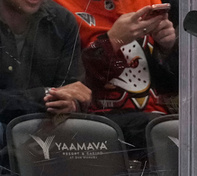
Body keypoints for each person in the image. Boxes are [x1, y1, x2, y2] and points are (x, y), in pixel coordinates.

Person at [58, 0, 177, 160]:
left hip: (156, 121)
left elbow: (172, 82)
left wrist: (166, 47)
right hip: (98, 125)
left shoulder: (147, 2)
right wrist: (113, 41)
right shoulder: (60, 8)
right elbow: (70, 84)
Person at [0, 0, 91, 135]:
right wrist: (45, 95)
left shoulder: (63, 21)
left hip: (44, 128)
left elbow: (72, 90)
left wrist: (71, 103)